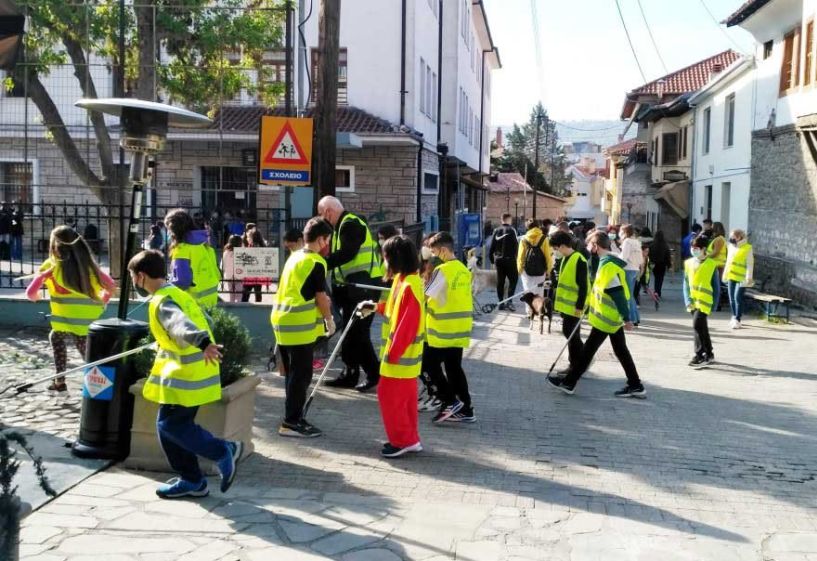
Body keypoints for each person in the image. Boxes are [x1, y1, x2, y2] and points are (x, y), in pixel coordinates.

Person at [127, 249, 242, 499]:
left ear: (141, 276)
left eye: (133, 278)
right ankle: (192, 480)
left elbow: (179, 323)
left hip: (189, 376)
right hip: (190, 373)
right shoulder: (176, 293)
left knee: (172, 425)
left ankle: (223, 450)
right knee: (166, 426)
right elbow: (206, 321)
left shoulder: (162, 301)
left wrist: (200, 342)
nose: (134, 283)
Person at [547, 230, 646, 398]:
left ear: (596, 246)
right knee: (620, 350)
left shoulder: (608, 267)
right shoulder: (605, 263)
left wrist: (627, 318)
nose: (587, 247)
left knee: (588, 351)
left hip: (607, 318)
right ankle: (635, 384)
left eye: (589, 244)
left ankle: (570, 382)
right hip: (608, 317)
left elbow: (618, 295)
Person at [25, 226, 116, 392]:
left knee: (57, 338)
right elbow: (111, 286)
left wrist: (39, 288)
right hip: (85, 320)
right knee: (85, 352)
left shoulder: (50, 267)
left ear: (54, 247)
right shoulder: (89, 267)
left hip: (63, 319)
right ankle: (99, 385)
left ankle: (61, 381)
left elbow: (30, 294)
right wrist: (103, 301)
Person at [271, 218, 336, 438]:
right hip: (299, 325)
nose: (328, 244)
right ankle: (291, 422)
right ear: (321, 239)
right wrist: (329, 320)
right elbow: (320, 296)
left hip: (281, 321)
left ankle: (293, 417)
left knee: (292, 374)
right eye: (327, 239)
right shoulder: (317, 262)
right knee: (301, 375)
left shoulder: (295, 256)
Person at [363, 235, 425, 458]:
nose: (384, 261)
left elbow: (406, 326)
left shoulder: (408, 284)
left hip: (399, 358)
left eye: (386, 256)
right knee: (405, 401)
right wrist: (374, 306)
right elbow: (393, 310)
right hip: (405, 359)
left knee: (389, 397)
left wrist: (393, 353)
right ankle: (410, 438)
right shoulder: (406, 280)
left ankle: (402, 440)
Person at [318, 196, 383, 392]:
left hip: (365, 288)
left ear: (328, 211)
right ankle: (350, 374)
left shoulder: (351, 224)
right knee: (348, 332)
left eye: (322, 214)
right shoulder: (341, 227)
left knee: (359, 333)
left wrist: (322, 264)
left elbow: (348, 253)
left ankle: (374, 374)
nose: (322, 219)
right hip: (353, 289)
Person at [423, 231, 476, 424]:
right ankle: (466, 409)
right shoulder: (462, 269)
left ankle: (450, 401)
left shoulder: (443, 271)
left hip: (442, 330)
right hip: (460, 328)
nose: (434, 256)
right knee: (454, 368)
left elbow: (426, 296)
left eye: (435, 252)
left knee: (427, 365)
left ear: (443, 250)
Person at [549, 230, 589, 373]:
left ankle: (578, 364)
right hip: (566, 306)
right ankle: (579, 363)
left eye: (555, 248)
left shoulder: (579, 259)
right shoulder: (565, 259)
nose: (554, 251)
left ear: (562, 246)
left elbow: (583, 286)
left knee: (571, 335)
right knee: (570, 334)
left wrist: (579, 306)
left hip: (574, 306)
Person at [165, 209, 221, 310]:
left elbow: (182, 282)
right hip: (211, 301)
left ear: (173, 230)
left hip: (192, 305)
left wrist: (165, 289)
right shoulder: (204, 244)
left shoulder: (182, 250)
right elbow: (216, 273)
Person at [683, 235, 718, 368]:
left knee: (697, 325)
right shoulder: (688, 263)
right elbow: (685, 283)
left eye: (696, 248)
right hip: (693, 301)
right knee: (702, 328)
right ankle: (709, 353)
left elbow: (715, 285)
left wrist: (715, 303)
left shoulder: (711, 264)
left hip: (705, 301)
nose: (693, 250)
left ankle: (699, 355)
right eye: (692, 248)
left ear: (704, 249)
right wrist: (687, 300)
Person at [517, 218, 552, 315]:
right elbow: (548, 256)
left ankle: (529, 312)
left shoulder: (524, 239)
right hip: (541, 270)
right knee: (539, 291)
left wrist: (520, 270)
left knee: (527, 291)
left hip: (526, 270)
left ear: (527, 228)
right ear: (538, 226)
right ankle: (539, 311)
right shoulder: (544, 238)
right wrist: (548, 270)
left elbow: (520, 256)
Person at [723, 229, 754, 329]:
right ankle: (734, 316)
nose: (731, 238)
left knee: (737, 297)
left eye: (733, 236)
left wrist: (749, 277)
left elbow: (750, 264)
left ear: (739, 237)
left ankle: (738, 319)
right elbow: (728, 262)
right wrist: (725, 274)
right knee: (731, 298)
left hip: (742, 278)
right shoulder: (731, 247)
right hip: (731, 276)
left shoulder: (747, 248)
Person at [490, 213, 519, 311]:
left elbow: (492, 246)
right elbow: (516, 245)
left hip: (498, 260)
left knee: (500, 282)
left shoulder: (496, 230)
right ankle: (509, 301)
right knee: (514, 280)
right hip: (510, 259)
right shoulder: (512, 230)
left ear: (501, 220)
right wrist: (517, 258)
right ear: (509, 220)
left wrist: (491, 260)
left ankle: (501, 302)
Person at [618, 225, 643, 327]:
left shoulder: (627, 241)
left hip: (627, 269)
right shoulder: (636, 241)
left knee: (628, 295)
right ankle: (636, 318)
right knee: (631, 295)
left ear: (624, 232)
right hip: (635, 269)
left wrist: (615, 256)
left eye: (621, 231)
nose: (619, 233)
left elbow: (624, 257)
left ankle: (631, 318)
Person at [241, 226, 267, 303]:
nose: (246, 239)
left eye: (248, 237)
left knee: (245, 294)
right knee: (258, 293)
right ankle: (258, 308)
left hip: (250, 275)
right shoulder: (262, 247)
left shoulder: (251, 248)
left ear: (252, 238)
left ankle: (244, 307)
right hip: (258, 275)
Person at [707, 222, 728, 311]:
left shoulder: (719, 239)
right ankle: (717, 303)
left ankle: (717, 304)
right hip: (717, 264)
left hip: (717, 265)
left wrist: (705, 256)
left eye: (712, 227)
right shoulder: (720, 239)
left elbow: (715, 252)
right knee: (717, 285)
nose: (711, 228)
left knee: (716, 286)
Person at [221, 235, 244, 303]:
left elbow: (222, 266)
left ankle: (232, 305)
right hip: (239, 276)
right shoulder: (242, 253)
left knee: (231, 294)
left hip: (229, 276)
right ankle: (238, 306)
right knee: (239, 295)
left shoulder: (226, 253)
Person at [650, 230, 672, 298]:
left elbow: (650, 254)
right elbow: (667, 256)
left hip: (654, 264)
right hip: (662, 264)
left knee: (656, 278)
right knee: (660, 278)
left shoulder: (652, 245)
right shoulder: (665, 245)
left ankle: (656, 291)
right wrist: (669, 265)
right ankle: (658, 292)